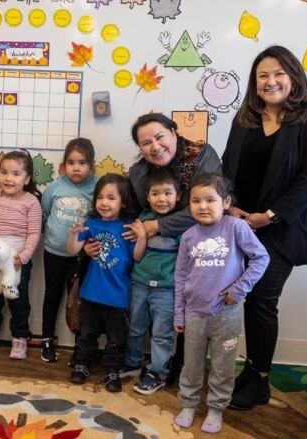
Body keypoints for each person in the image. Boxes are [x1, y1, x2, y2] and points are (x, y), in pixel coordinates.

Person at [222, 45, 307, 410]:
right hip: (242, 225)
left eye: (278, 74)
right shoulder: (245, 119)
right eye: (262, 76)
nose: (270, 81)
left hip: (282, 228)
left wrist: (270, 215)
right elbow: (227, 167)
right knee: (245, 300)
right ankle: (250, 372)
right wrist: (228, 204)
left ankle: (261, 380)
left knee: (262, 301)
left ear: (293, 77)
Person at [86, 112, 222, 382]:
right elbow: (134, 218)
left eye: (160, 137)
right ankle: (140, 363)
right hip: (148, 268)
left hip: (200, 248)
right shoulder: (138, 173)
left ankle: (178, 371)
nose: (155, 146)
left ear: (173, 132)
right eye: (145, 143)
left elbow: (206, 205)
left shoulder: (200, 155)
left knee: (186, 317)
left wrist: (157, 226)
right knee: (139, 323)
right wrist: (96, 243)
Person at [173, 172, 269, 433]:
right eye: (196, 201)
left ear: (225, 202)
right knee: (191, 363)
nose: (202, 206)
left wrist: (239, 289)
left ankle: (216, 409)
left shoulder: (236, 228)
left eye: (210, 200)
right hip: (194, 313)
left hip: (226, 313)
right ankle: (189, 404)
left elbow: (261, 258)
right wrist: (178, 315)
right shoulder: (189, 236)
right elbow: (181, 276)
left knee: (223, 365)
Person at [67, 174, 146, 393]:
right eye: (100, 197)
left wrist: (141, 238)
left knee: (116, 338)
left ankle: (112, 370)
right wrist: (74, 236)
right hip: (91, 292)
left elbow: (137, 257)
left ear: (124, 201)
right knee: (86, 333)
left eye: (111, 197)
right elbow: (72, 250)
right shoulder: (90, 224)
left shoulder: (128, 227)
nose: (104, 202)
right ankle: (82, 365)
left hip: (118, 295)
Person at [0, 150, 42, 360]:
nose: (8, 178)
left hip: (17, 261)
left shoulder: (31, 202)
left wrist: (23, 257)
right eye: (4, 172)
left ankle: (20, 337)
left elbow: (33, 233)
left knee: (18, 300)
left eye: (15, 173)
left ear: (27, 178)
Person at [123, 169, 181, 395]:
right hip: (139, 284)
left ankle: (158, 372)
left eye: (167, 193)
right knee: (135, 326)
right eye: (155, 194)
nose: (162, 199)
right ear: (147, 197)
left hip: (167, 290)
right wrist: (142, 236)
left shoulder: (179, 224)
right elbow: (136, 255)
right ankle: (132, 362)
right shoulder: (143, 220)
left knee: (161, 334)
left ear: (177, 196)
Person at [39, 138, 98, 363]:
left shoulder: (97, 187)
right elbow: (45, 215)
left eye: (82, 162)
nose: (76, 167)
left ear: (91, 165)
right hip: (53, 253)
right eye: (71, 162)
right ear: (63, 165)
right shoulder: (55, 187)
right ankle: (47, 339)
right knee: (52, 296)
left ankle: (80, 346)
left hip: (82, 257)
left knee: (79, 301)